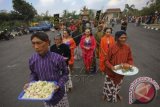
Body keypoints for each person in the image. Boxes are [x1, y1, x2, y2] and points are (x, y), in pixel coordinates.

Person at [25, 32, 69, 107]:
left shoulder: (58, 58)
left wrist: (58, 85)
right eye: (33, 43)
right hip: (45, 96)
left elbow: (65, 74)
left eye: (39, 43)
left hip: (59, 95)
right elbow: (33, 73)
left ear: (48, 42)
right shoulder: (32, 59)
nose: (36, 47)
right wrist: (31, 84)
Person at [103, 30, 134, 103]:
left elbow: (130, 59)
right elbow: (106, 60)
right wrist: (111, 67)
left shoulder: (127, 47)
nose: (124, 39)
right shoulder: (112, 47)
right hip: (111, 72)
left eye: (125, 38)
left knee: (118, 85)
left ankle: (116, 94)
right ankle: (106, 95)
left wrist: (129, 64)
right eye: (121, 38)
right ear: (117, 38)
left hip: (121, 72)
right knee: (108, 86)